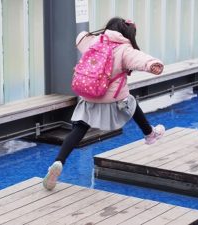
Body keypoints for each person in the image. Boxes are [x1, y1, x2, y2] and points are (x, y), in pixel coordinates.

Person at [43, 17, 165, 190]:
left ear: (108, 28)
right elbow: (140, 59)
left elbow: (80, 37)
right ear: (126, 33)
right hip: (114, 98)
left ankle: (58, 162)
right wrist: (152, 64)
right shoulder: (124, 49)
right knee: (131, 103)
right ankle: (150, 134)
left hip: (90, 94)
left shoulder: (93, 41)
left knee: (78, 129)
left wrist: (99, 33)